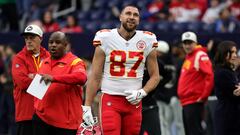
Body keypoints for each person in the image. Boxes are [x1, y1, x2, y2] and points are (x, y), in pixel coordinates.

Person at [82, 5, 160, 135]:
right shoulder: (106, 37)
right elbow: (95, 76)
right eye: (128, 13)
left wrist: (142, 92)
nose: (131, 17)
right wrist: (87, 106)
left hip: (134, 102)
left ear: (139, 20)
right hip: (110, 99)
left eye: (135, 15)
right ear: (120, 17)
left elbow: (155, 76)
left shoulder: (147, 40)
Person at [32, 31, 87, 135]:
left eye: (58, 42)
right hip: (41, 119)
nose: (53, 45)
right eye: (51, 42)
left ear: (65, 45)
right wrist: (37, 109)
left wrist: (54, 78)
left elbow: (82, 78)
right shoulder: (44, 62)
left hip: (65, 123)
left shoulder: (75, 62)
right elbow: (37, 91)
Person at [11, 24, 49, 135]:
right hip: (26, 113)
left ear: (40, 39)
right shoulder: (19, 58)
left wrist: (32, 76)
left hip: (46, 114)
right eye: (26, 38)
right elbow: (22, 83)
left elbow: (54, 78)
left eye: (32, 38)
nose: (28, 41)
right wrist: (43, 78)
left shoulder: (48, 56)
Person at [177, 31, 214, 135]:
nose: (187, 45)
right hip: (186, 102)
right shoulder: (189, 57)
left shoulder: (200, 55)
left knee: (195, 132)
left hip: (194, 101)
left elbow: (209, 75)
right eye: (185, 43)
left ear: (195, 43)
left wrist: (203, 96)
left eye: (190, 43)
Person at [213, 40, 240, 135]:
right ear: (224, 53)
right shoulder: (222, 72)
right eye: (232, 52)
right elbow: (236, 94)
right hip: (227, 118)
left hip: (232, 116)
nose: (235, 55)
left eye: (235, 52)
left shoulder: (230, 71)